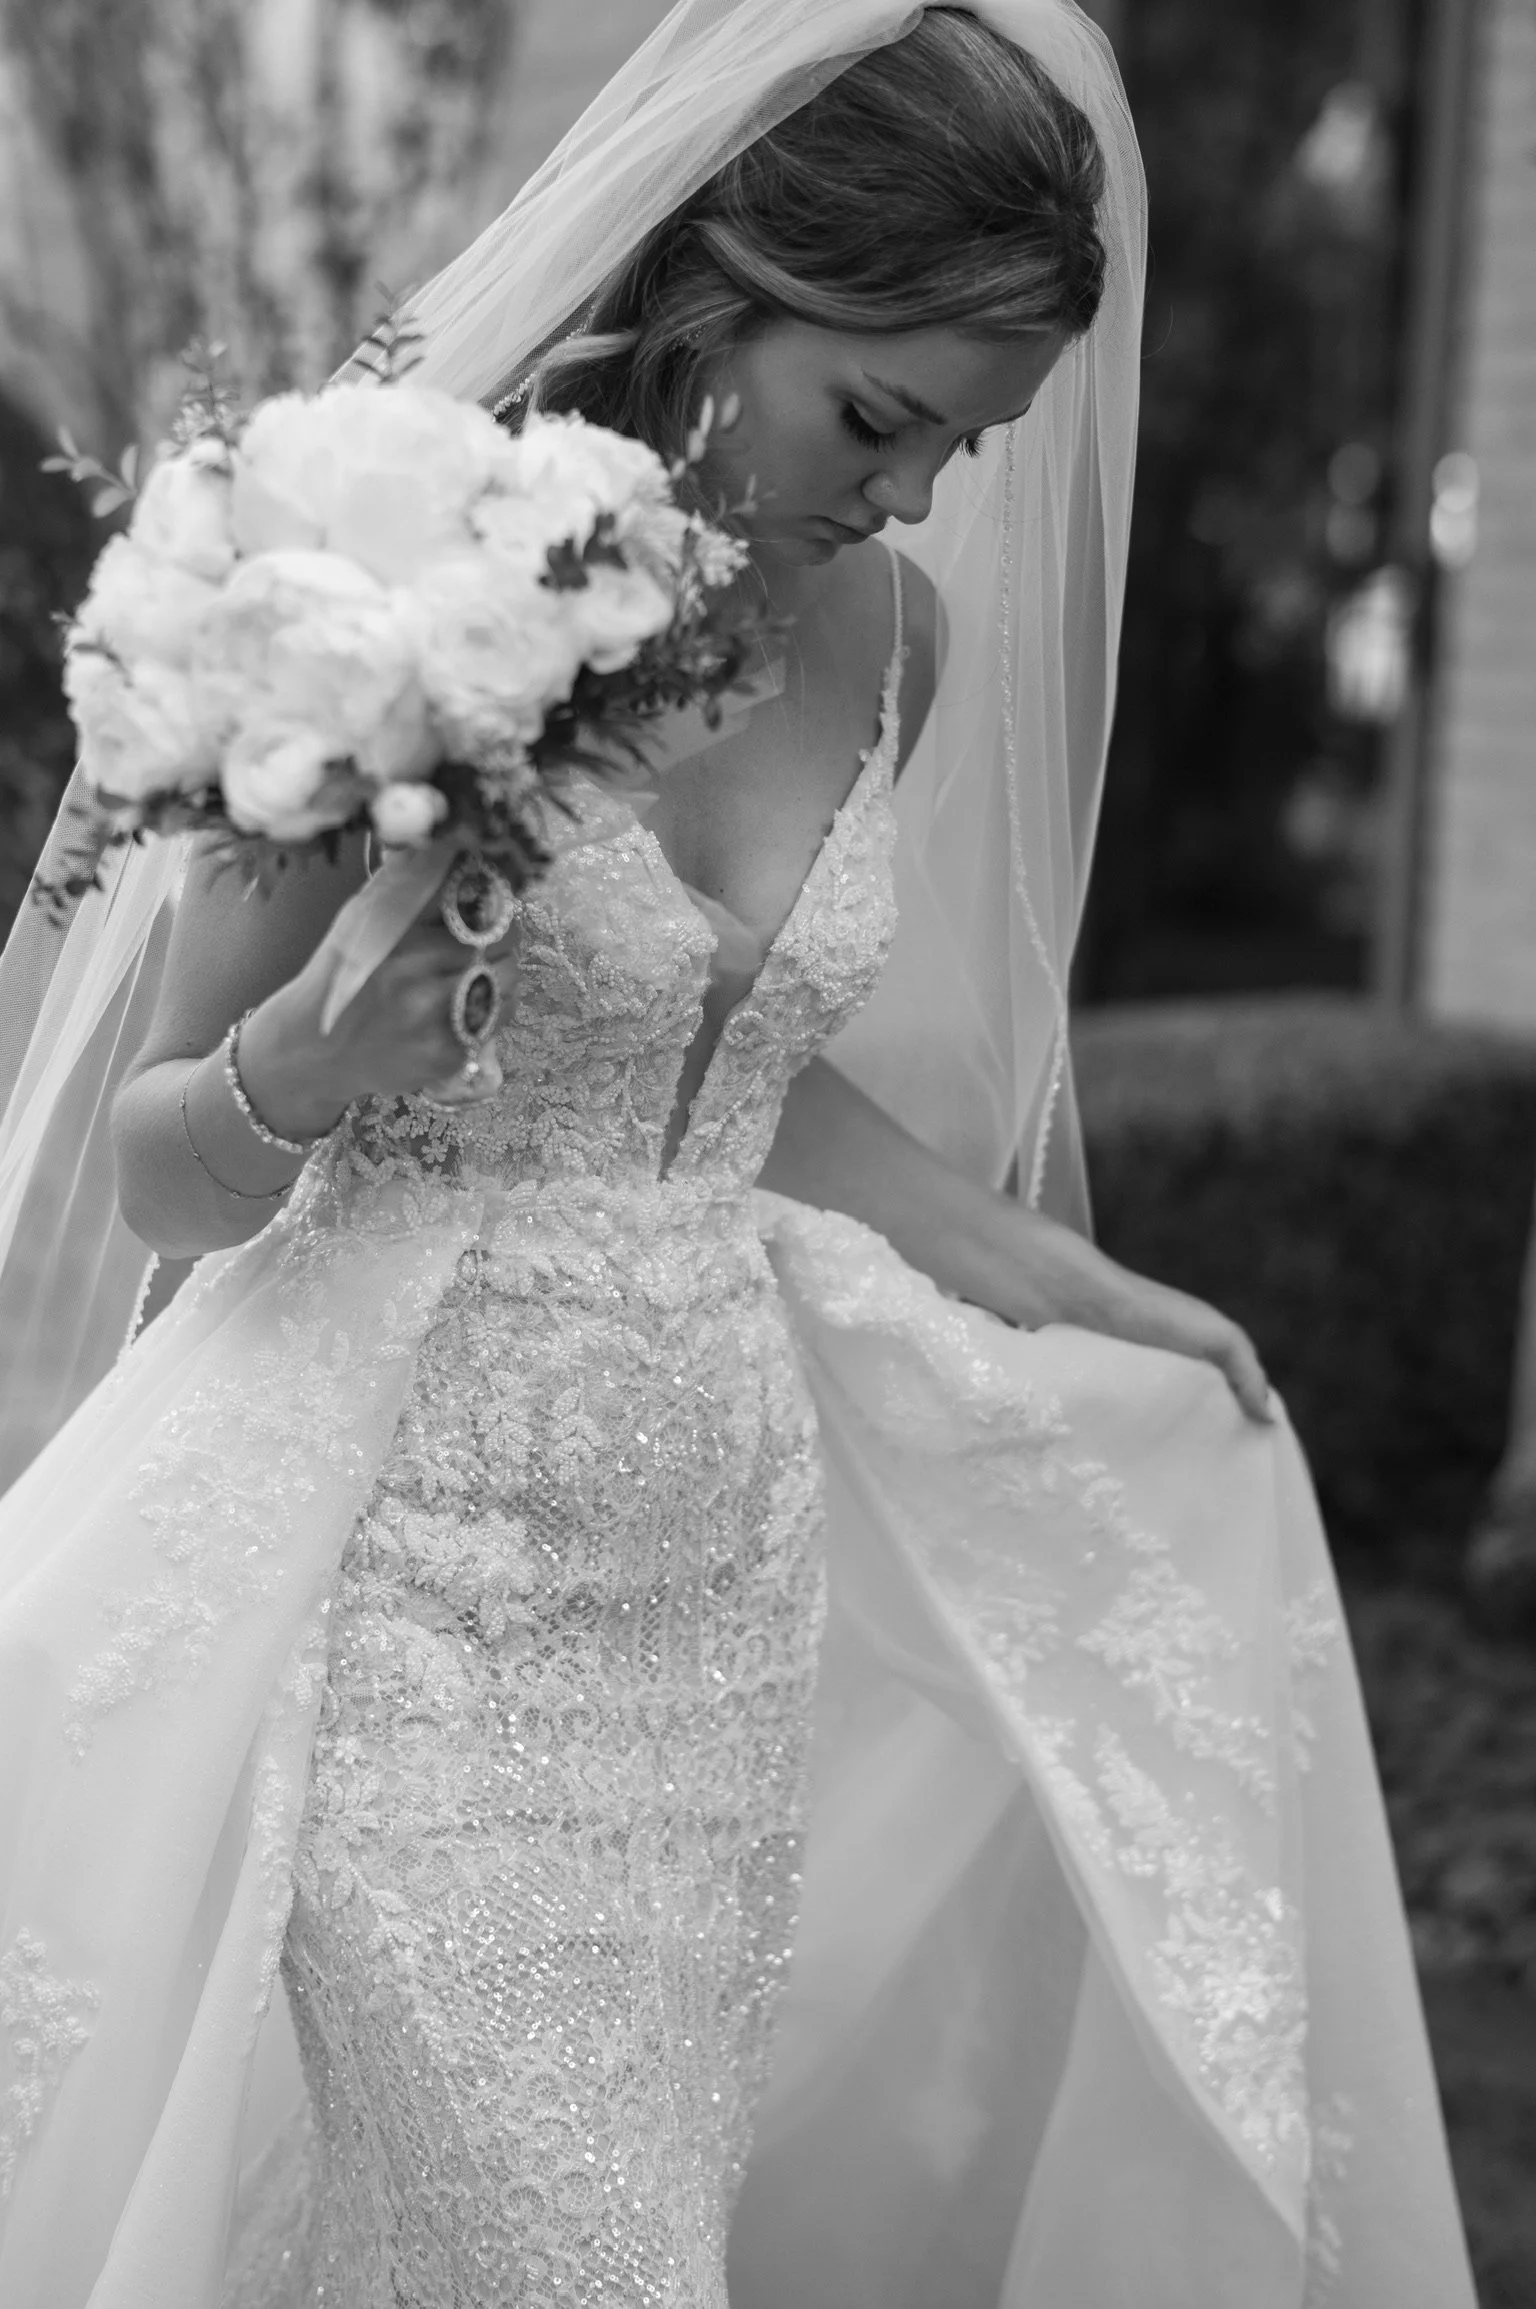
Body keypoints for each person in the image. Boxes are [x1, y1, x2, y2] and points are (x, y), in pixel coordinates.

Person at [0, 6, 1476, 2306]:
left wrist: (1068, 1280)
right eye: (878, 418)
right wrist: (307, 1055)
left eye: (964, 446)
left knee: (606, 2215)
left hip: (707, 1588)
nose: (910, 495)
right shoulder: (402, 584)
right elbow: (157, 1161)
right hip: (405, 1567)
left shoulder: (891, 637)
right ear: (721, 285)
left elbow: (737, 1065)